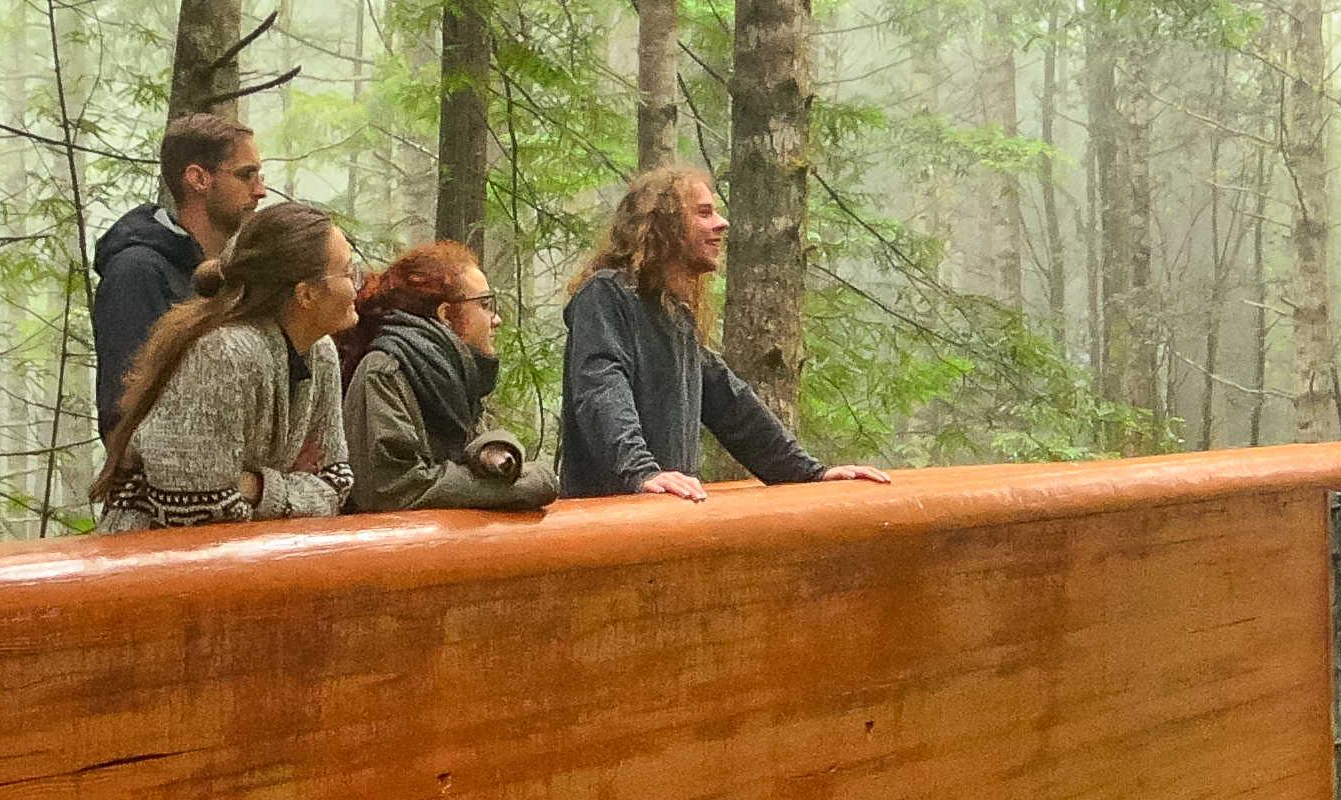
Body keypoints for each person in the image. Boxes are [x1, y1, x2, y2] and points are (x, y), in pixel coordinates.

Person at [558, 165, 892, 500]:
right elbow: (601, 389)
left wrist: (809, 473)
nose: (722, 222)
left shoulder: (673, 314)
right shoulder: (605, 296)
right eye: (704, 213)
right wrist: (640, 470)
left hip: (664, 515)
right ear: (664, 225)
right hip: (610, 524)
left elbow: (731, 405)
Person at [95, 199, 359, 529]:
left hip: (242, 554)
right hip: (149, 559)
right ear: (306, 295)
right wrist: (289, 488)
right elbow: (193, 506)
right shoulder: (225, 355)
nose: (357, 284)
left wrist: (254, 486)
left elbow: (337, 480)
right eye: (349, 272)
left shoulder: (321, 354)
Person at [89, 110, 269, 442]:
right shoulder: (137, 272)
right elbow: (124, 421)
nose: (261, 191)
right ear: (198, 179)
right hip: (166, 489)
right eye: (247, 175)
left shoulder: (238, 275)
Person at [341, 243, 557, 514]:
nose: (497, 319)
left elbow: (462, 460)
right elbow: (390, 488)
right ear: (445, 314)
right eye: (485, 304)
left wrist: (494, 453)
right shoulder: (385, 371)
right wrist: (521, 486)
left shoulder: (448, 373)